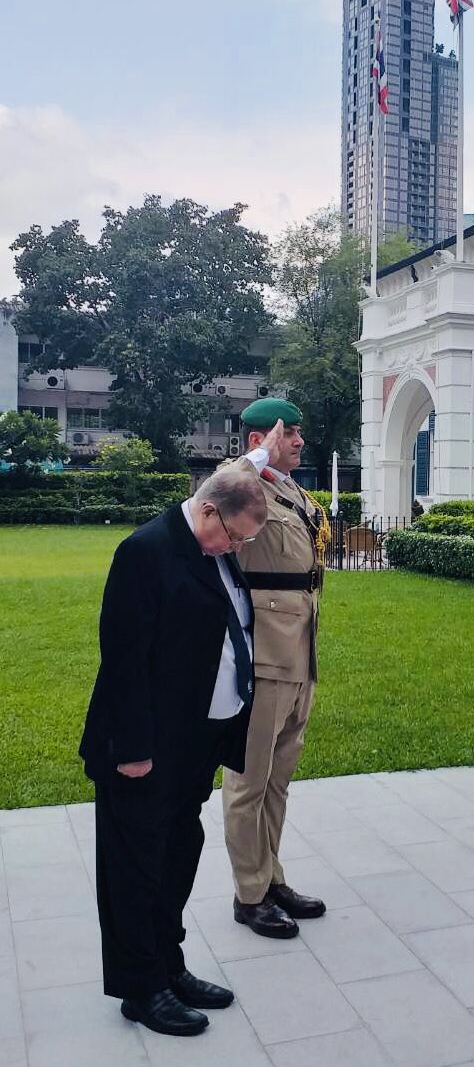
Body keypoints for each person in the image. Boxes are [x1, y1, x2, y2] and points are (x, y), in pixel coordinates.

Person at [79, 457, 273, 1037]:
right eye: (233, 535)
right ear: (208, 509)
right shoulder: (146, 551)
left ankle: (169, 964)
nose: (233, 548)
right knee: (135, 870)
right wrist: (133, 748)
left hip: (194, 741)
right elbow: (124, 659)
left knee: (177, 855)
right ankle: (141, 987)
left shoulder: (213, 552)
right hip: (144, 749)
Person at [222, 398, 331, 939]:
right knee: (248, 779)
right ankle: (249, 893)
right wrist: (257, 454)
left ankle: (272, 877)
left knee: (279, 778)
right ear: (260, 440)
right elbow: (213, 491)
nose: (299, 443)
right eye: (290, 435)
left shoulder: (289, 489)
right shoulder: (244, 482)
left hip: (298, 647)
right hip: (263, 652)